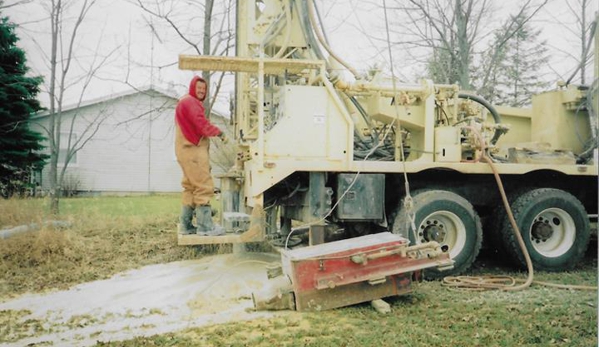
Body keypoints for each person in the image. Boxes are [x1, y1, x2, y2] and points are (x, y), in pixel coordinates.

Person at [175, 75, 227, 236]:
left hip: (184, 150)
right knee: (203, 186)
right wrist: (219, 133)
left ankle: (185, 225)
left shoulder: (184, 102)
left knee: (190, 187)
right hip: (193, 150)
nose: (201, 91)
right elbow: (201, 124)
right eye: (198, 88)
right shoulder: (190, 102)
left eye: (203, 89)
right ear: (192, 88)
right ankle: (206, 227)